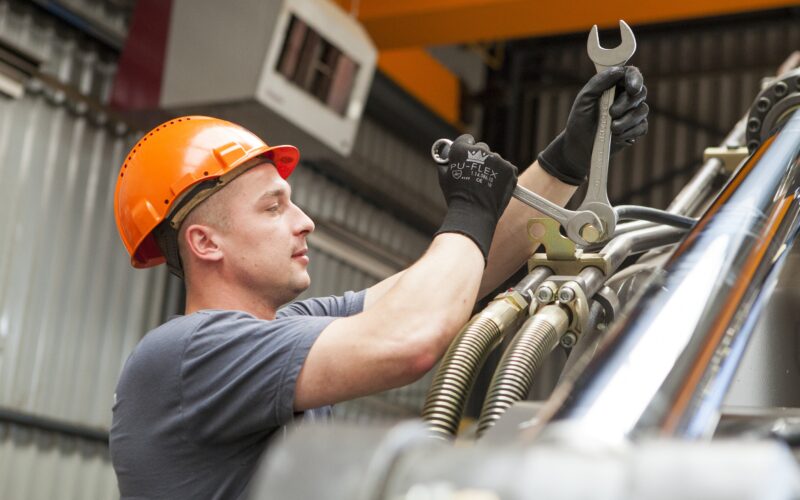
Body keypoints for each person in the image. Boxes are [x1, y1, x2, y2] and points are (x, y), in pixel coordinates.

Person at [109, 66, 647, 499]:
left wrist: (565, 163)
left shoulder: (291, 331)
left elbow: (448, 279)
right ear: (206, 243)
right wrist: (466, 210)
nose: (304, 222)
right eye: (273, 208)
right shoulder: (188, 355)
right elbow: (412, 338)